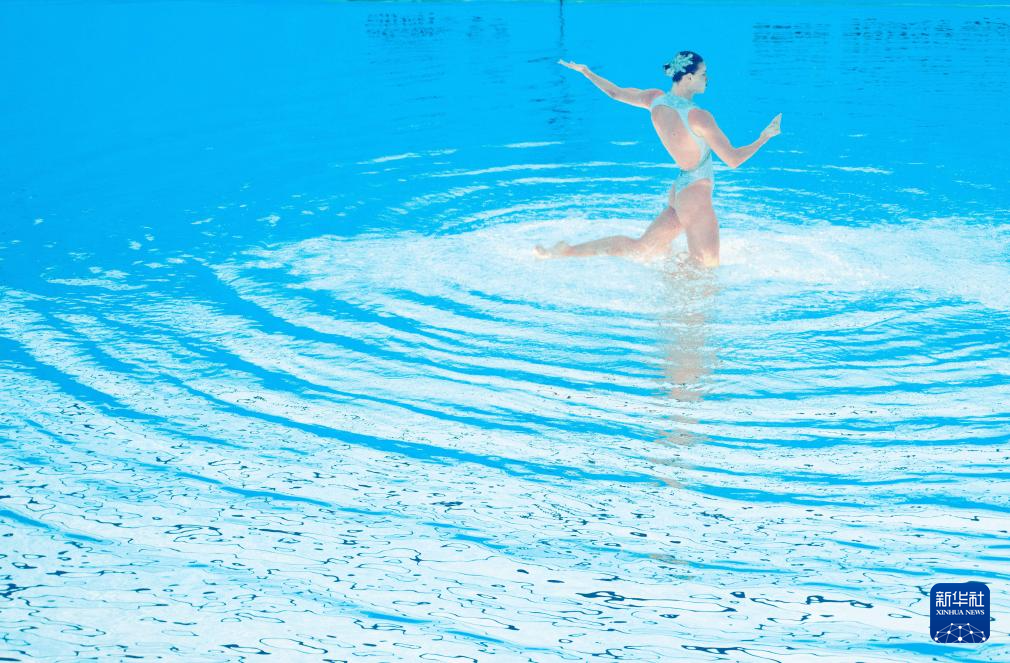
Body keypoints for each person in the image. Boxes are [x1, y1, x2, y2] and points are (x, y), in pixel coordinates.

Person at [534, 51, 781, 267]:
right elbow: (733, 159)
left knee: (642, 248)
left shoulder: (654, 99)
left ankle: (566, 251)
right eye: (703, 74)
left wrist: (587, 72)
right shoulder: (699, 116)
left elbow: (614, 93)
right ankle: (673, 295)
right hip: (695, 194)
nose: (707, 78)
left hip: (680, 191)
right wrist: (764, 137)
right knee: (705, 268)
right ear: (688, 77)